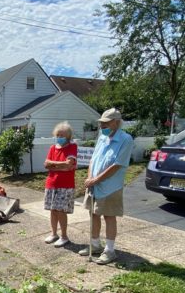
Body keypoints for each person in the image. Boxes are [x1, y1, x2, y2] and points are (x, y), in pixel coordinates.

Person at [80, 108, 133, 265]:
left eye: (106, 123)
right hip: (94, 184)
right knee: (93, 214)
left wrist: (95, 180)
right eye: (101, 124)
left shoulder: (126, 139)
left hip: (110, 186)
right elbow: (93, 159)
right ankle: (95, 245)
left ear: (116, 122)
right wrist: (90, 178)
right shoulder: (102, 138)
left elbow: (117, 165)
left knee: (109, 216)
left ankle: (110, 251)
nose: (102, 127)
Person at [43, 122, 78, 248]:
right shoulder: (53, 148)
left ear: (68, 136)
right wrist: (61, 165)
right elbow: (46, 164)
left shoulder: (72, 147)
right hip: (51, 183)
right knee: (53, 210)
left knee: (61, 210)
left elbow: (69, 164)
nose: (59, 137)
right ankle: (54, 234)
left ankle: (64, 236)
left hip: (65, 185)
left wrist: (54, 165)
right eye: (58, 135)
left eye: (62, 135)